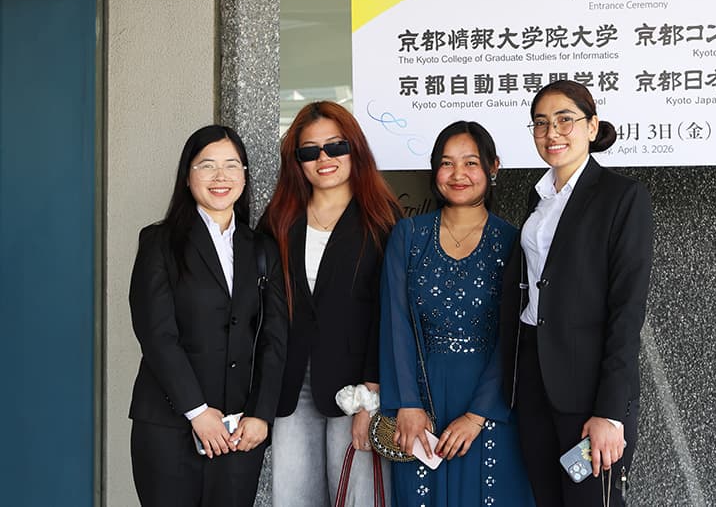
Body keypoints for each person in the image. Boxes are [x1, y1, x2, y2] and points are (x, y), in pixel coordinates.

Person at [500, 80, 654, 507]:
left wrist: (610, 411)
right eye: (541, 123)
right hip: (533, 378)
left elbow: (627, 310)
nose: (553, 133)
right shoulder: (538, 197)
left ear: (592, 126)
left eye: (566, 119)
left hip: (587, 388)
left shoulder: (621, 197)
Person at [128, 125, 288, 507]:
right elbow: (156, 334)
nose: (221, 176)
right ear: (187, 176)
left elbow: (274, 337)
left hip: (240, 432)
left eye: (233, 165)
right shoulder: (159, 243)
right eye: (207, 166)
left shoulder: (262, 248)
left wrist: (261, 415)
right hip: (169, 426)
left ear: (245, 176)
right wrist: (198, 412)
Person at [379, 121, 535, 507]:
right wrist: (407, 404)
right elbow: (394, 324)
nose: (458, 174)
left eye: (471, 163)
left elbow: (514, 336)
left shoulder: (514, 241)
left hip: (492, 399)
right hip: (421, 399)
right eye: (447, 164)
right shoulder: (408, 235)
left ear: (492, 167)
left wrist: (478, 415)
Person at [261, 101, 400, 506]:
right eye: (310, 151)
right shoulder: (280, 219)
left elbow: (387, 314)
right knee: (294, 496)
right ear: (297, 161)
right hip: (292, 385)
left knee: (358, 496)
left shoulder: (382, 218)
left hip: (355, 385)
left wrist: (370, 397)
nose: (324, 159)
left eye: (335, 147)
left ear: (354, 149)